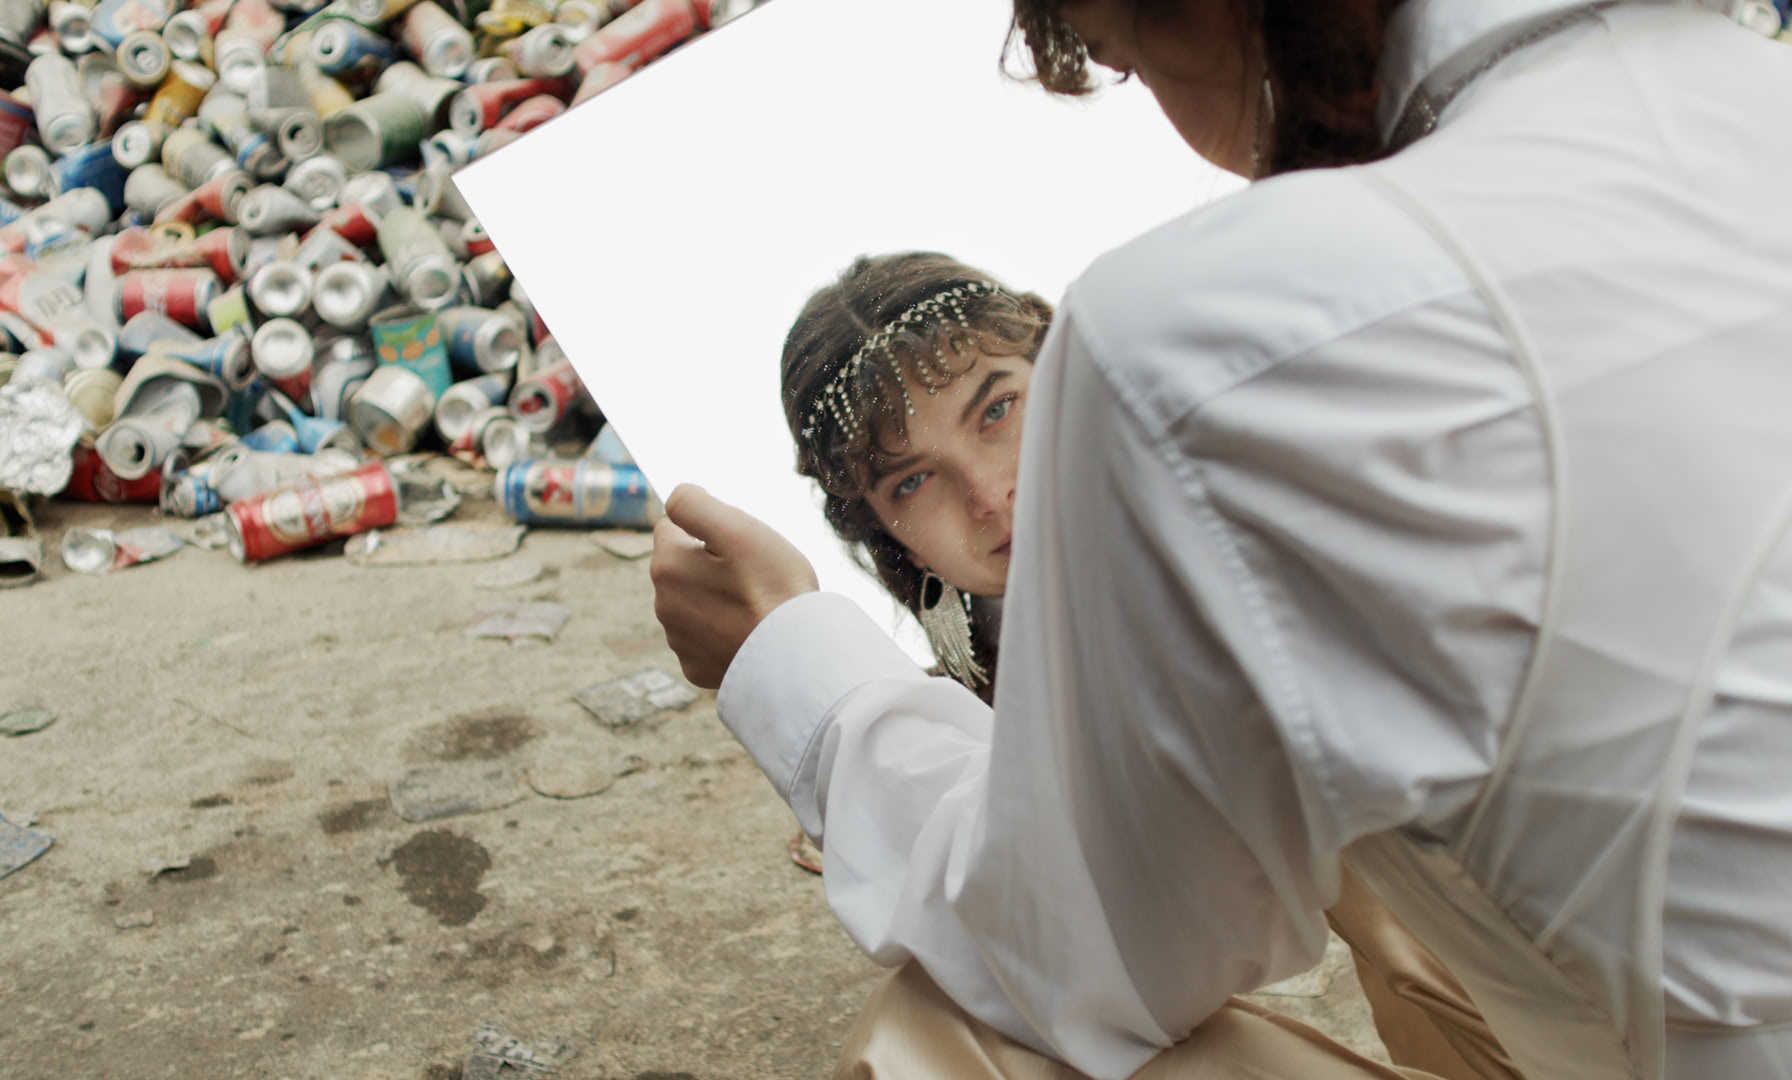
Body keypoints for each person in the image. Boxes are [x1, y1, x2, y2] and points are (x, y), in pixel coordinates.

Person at [651, 1, 1792, 1077]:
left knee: (941, 1033)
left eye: (1118, 58)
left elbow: (1074, 946)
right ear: (881, 529)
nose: (991, 496)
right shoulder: (1746, 82)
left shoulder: (1207, 340)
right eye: (912, 483)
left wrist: (815, 694)